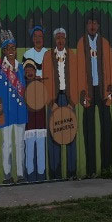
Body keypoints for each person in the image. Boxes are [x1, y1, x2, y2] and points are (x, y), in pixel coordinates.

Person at [76, 12, 112, 176]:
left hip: (103, 89)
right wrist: (82, 93)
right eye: (90, 23)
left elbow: (111, 68)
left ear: (98, 25)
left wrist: (111, 91)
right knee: (89, 131)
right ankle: (91, 170)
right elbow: (79, 70)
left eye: (95, 23)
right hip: (88, 91)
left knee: (106, 129)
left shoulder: (105, 43)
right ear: (86, 25)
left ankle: (107, 168)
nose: (92, 26)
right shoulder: (81, 43)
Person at [0, 29, 27, 183]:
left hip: (20, 110)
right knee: (7, 144)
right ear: (4, 51)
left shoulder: (21, 68)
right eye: (8, 48)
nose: (11, 51)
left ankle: (20, 174)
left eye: (13, 48)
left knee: (20, 144)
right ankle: (7, 175)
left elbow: (24, 90)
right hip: (5, 111)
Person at [46, 27, 78, 179]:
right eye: (58, 38)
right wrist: (50, 102)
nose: (60, 40)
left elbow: (77, 79)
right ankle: (55, 174)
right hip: (54, 99)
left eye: (62, 37)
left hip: (68, 98)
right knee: (54, 135)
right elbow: (46, 80)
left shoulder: (71, 55)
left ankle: (72, 172)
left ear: (65, 39)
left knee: (70, 133)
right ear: (54, 40)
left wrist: (73, 102)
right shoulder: (48, 56)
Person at [22, 58, 48, 181]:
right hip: (29, 125)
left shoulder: (41, 84)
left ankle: (41, 176)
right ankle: (30, 177)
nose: (29, 72)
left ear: (35, 71)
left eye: (31, 69)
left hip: (41, 123)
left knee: (41, 151)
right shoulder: (22, 87)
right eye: (26, 70)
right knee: (29, 152)